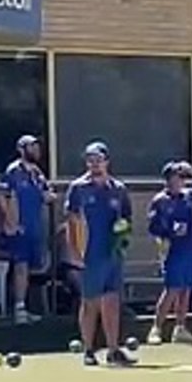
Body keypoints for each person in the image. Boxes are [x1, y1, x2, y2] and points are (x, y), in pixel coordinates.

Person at [65, 142, 135, 367]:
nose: (95, 164)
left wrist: (123, 239)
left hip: (112, 252)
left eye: (98, 160)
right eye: (90, 160)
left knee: (112, 300)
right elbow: (72, 222)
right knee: (90, 301)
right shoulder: (78, 188)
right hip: (90, 252)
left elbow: (126, 220)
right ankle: (88, 349)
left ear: (107, 161)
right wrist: (74, 252)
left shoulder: (118, 189)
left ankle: (113, 349)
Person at [146, 161, 192, 345]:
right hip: (173, 249)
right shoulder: (160, 201)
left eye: (182, 177)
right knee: (172, 289)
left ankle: (181, 327)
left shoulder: (188, 197)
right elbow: (153, 227)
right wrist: (169, 231)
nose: (181, 181)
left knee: (187, 289)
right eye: (177, 176)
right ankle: (156, 328)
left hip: (191, 247)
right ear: (168, 179)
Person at [0, 134, 54, 325]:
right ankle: (19, 308)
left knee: (30, 269)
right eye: (32, 146)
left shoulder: (38, 173)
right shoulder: (13, 171)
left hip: (35, 227)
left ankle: (25, 307)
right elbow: (3, 196)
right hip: (20, 228)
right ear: (22, 149)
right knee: (20, 267)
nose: (36, 150)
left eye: (37, 146)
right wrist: (12, 222)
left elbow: (46, 195)